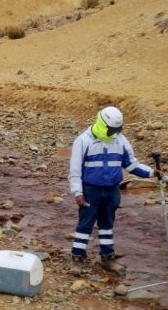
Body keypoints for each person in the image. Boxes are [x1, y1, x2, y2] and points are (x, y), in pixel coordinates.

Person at [68, 106, 158, 273]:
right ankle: (77, 258)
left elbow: (132, 165)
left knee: (107, 224)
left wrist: (152, 173)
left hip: (112, 190)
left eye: (117, 129)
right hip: (90, 190)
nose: (114, 132)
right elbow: (75, 170)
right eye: (111, 129)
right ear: (102, 125)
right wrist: (77, 192)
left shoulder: (120, 140)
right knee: (85, 224)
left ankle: (107, 258)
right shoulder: (83, 140)